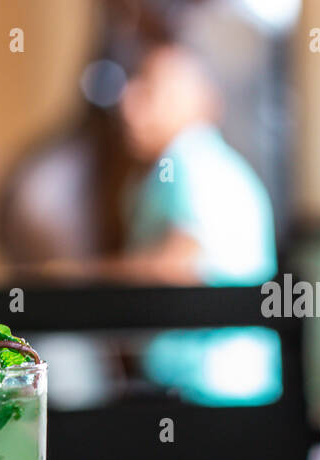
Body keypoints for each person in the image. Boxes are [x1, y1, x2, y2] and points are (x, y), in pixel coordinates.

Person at [48, 42, 276, 286]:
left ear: (199, 102)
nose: (127, 105)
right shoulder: (206, 161)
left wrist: (74, 277)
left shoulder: (187, 159)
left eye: (149, 92)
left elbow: (179, 268)